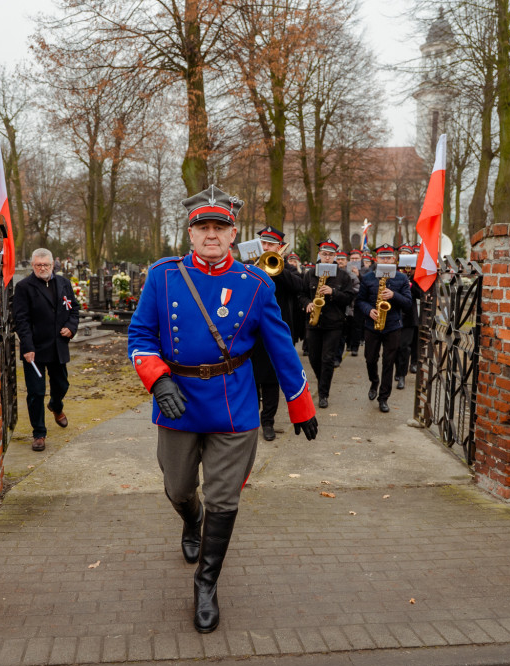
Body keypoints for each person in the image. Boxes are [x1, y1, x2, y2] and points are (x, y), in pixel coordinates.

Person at [127, 185, 319, 633]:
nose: (210, 235)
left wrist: (300, 405)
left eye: (219, 227)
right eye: (202, 227)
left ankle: (206, 583)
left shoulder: (256, 284)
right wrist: (157, 379)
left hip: (233, 402)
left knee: (225, 497)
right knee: (177, 488)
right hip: (177, 398)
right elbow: (139, 337)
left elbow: (281, 349)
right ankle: (190, 519)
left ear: (233, 235)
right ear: (191, 234)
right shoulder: (163, 277)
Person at [14, 248, 80, 451]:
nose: (42, 268)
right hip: (35, 349)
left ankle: (56, 406)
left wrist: (71, 327)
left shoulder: (64, 283)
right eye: (38, 265)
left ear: (53, 265)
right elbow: (21, 319)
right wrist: (27, 346)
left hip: (58, 346)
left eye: (46, 265)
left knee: (62, 385)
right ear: (32, 266)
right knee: (35, 392)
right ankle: (39, 433)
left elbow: (74, 310)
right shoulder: (24, 287)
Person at [252, 227, 304, 441]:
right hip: (252, 331)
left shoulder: (285, 268)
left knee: (272, 380)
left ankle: (268, 422)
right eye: (263, 244)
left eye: (270, 245)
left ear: (279, 247)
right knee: (251, 377)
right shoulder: (248, 267)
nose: (265, 248)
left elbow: (299, 286)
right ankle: (250, 419)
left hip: (276, 332)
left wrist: (277, 269)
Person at [356, 244, 412, 412]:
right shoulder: (368, 278)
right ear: (377, 259)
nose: (386, 260)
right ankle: (374, 381)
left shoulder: (402, 279)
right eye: (382, 258)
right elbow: (360, 301)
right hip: (372, 325)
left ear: (394, 259)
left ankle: (383, 397)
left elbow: (408, 303)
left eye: (389, 257)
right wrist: (369, 310)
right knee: (370, 359)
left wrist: (394, 295)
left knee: (389, 362)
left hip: (393, 326)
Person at [300, 239, 356, 408]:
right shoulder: (310, 274)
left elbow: (349, 298)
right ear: (319, 255)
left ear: (335, 256)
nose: (327, 257)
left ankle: (323, 394)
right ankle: (322, 379)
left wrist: (334, 292)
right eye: (324, 254)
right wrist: (307, 304)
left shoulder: (343, 276)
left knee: (328, 358)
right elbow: (301, 295)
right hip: (313, 322)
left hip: (334, 323)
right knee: (314, 357)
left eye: (330, 255)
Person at [394, 244, 421, 389]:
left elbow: (420, 294)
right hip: (394, 314)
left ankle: (402, 375)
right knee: (395, 347)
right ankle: (397, 370)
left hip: (409, 315)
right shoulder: (393, 271)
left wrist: (410, 284)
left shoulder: (415, 275)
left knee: (405, 347)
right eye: (402, 253)